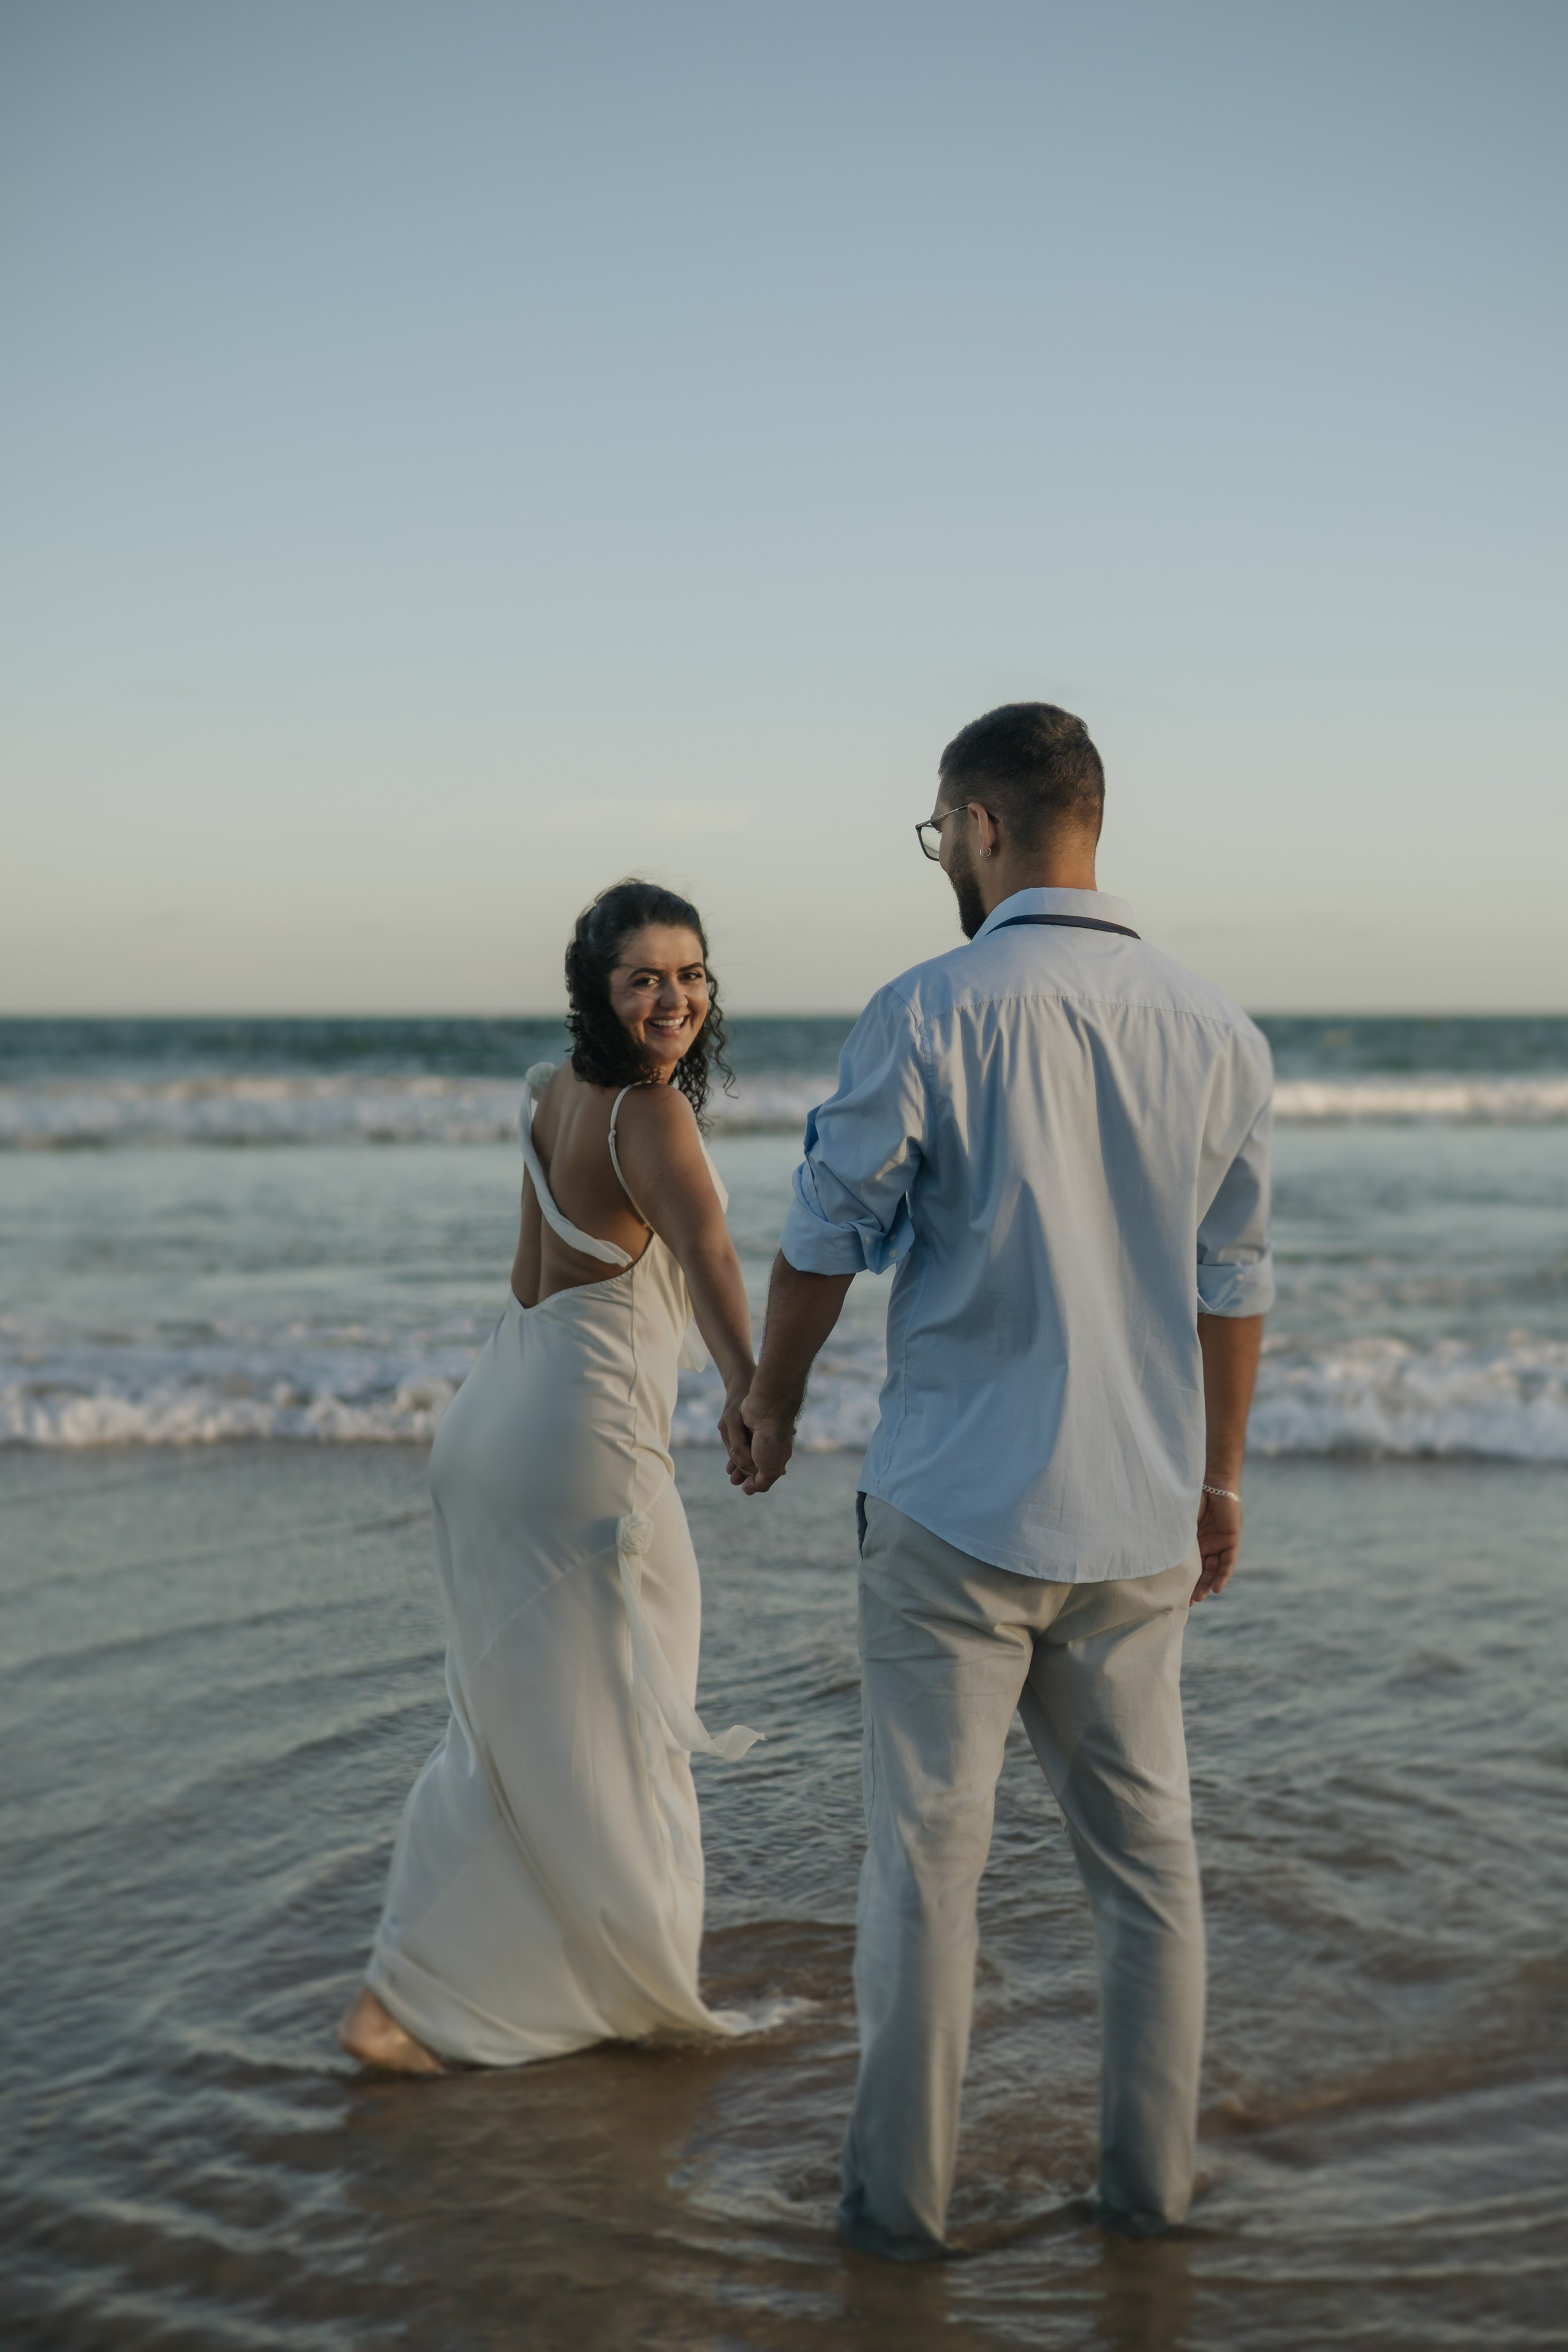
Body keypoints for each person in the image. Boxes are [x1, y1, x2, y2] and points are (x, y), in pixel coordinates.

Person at [725, 704, 1273, 2258]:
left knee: (921, 1876)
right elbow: (1232, 1281)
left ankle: (896, 2224)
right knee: (1150, 1876)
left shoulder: (926, 1008)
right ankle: (1147, 2201)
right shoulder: (1217, 1031)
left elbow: (825, 1231)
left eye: (938, 833)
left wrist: (770, 1400)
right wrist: (1219, 1484)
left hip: (952, 1516)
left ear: (979, 825)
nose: (940, 859)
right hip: (1139, 1516)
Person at [341, 881, 761, 2075]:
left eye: (690, 974)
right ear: (597, 989)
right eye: (643, 978)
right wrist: (753, 1394)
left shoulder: (552, 1089)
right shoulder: (649, 1114)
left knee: (505, 1733)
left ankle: (402, 1999)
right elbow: (710, 1256)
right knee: (627, 1724)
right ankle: (630, 1990)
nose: (673, 999)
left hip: (494, 1426)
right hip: (582, 1452)